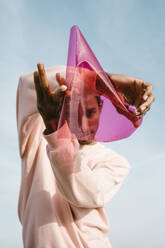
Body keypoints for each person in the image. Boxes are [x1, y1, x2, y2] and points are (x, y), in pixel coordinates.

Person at [16, 63, 154, 248]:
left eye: (90, 112)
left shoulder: (115, 162)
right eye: (75, 112)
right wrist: (98, 80)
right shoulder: (37, 137)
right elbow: (27, 85)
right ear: (66, 109)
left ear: (101, 108)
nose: (82, 122)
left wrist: (57, 137)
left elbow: (87, 194)